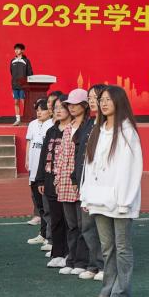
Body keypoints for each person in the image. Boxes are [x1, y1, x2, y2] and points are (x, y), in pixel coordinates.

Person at [81, 85, 143, 297]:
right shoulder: (97, 131)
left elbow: (131, 169)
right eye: (101, 100)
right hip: (99, 200)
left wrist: (124, 199)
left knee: (122, 247)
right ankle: (107, 290)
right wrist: (86, 195)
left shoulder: (127, 132)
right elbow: (89, 166)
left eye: (108, 99)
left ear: (119, 102)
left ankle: (122, 292)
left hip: (120, 201)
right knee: (107, 248)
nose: (103, 103)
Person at [55, 89, 91, 277]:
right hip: (65, 183)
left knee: (83, 225)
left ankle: (82, 261)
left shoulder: (88, 127)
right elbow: (61, 156)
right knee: (71, 225)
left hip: (80, 182)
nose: (72, 107)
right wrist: (57, 178)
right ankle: (71, 259)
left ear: (85, 105)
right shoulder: (68, 128)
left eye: (76, 104)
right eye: (69, 104)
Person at [71, 88, 103, 280]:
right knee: (87, 226)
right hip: (85, 182)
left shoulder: (107, 125)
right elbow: (79, 152)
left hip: (100, 184)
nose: (92, 101)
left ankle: (103, 266)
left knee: (101, 228)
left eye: (95, 98)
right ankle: (93, 264)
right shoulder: (89, 123)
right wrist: (75, 177)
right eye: (89, 98)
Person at [36, 98, 71, 268]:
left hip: (67, 182)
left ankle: (70, 253)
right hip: (51, 181)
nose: (58, 110)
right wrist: (41, 179)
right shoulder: (51, 131)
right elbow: (44, 155)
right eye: (56, 107)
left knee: (70, 221)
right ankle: (57, 253)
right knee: (56, 219)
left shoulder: (73, 130)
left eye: (62, 107)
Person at [24, 99, 54, 240]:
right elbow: (29, 142)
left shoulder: (52, 125)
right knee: (40, 205)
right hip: (34, 170)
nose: (39, 112)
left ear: (50, 111)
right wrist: (27, 159)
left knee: (48, 206)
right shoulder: (32, 124)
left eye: (42, 109)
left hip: (45, 171)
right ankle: (43, 234)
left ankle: (49, 236)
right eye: (37, 110)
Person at [10, 43, 34, 126]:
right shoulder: (12, 61)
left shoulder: (26, 61)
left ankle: (27, 118)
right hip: (15, 85)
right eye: (15, 49)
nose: (16, 51)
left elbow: (30, 73)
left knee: (24, 102)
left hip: (23, 86)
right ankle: (18, 120)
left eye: (18, 49)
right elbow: (11, 72)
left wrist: (28, 85)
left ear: (22, 50)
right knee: (16, 102)